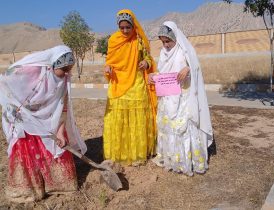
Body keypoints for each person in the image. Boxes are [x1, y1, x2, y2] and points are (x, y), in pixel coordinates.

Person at [0, 45, 87, 202]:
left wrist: (60, 131)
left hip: (48, 121)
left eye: (70, 69)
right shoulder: (32, 72)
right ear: (52, 65)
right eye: (64, 69)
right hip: (24, 119)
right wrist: (19, 111)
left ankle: (56, 184)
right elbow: (6, 81)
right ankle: (30, 189)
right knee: (27, 151)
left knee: (54, 147)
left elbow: (63, 108)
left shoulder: (63, 82)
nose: (68, 73)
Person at [149, 21, 213, 176]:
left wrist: (188, 68)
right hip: (168, 98)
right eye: (163, 42)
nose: (166, 45)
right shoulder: (164, 54)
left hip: (184, 98)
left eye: (168, 41)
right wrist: (154, 77)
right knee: (169, 129)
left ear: (175, 38)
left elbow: (195, 68)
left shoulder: (184, 51)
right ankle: (172, 159)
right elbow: (165, 74)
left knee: (183, 129)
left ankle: (188, 161)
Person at [103, 9, 157, 166]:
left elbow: (148, 57)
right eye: (122, 27)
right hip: (118, 83)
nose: (125, 30)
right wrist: (107, 68)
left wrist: (146, 63)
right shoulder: (113, 40)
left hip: (136, 83)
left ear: (134, 25)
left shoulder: (139, 40)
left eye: (128, 27)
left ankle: (137, 154)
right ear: (118, 26)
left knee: (137, 118)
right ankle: (118, 154)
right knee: (118, 120)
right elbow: (109, 60)